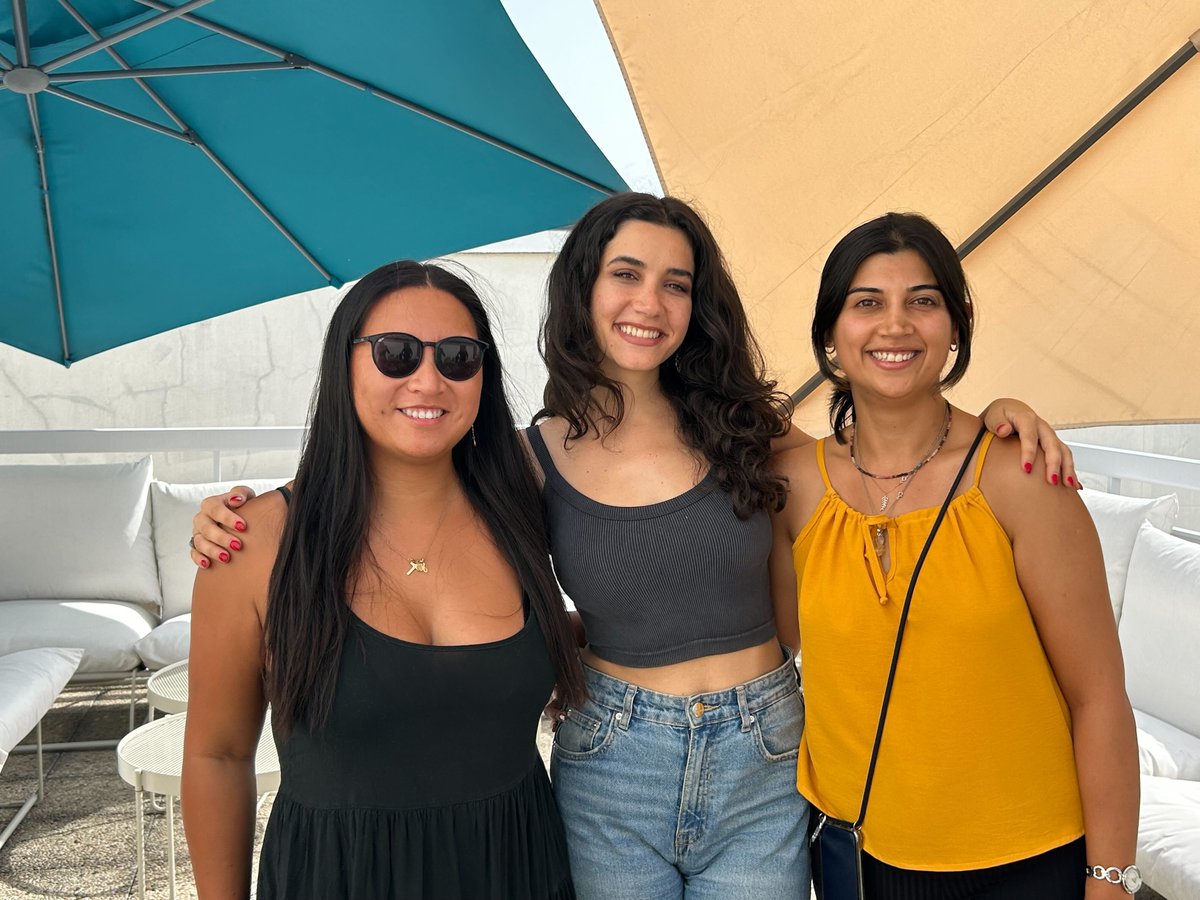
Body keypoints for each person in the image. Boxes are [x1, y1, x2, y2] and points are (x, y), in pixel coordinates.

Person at [189, 194, 1077, 899]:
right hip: (613, 754)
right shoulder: (529, 463)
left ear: (700, 305)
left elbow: (880, 463)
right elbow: (411, 489)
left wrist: (995, 419)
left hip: (761, 746)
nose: (650, 303)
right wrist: (248, 514)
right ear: (584, 289)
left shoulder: (755, 437)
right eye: (626, 274)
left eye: (677, 283)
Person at [180, 260, 583, 899]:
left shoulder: (529, 504)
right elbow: (217, 756)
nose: (429, 379)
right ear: (345, 364)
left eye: (457, 356)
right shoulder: (255, 543)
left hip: (520, 871)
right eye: (395, 354)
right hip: (339, 879)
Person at [770, 212, 1138, 899]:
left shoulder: (1020, 476)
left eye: (923, 301)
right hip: (855, 854)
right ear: (829, 334)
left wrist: (1110, 878)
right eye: (866, 303)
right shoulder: (791, 484)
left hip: (1024, 862)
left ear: (956, 324)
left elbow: (1099, 697)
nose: (895, 325)